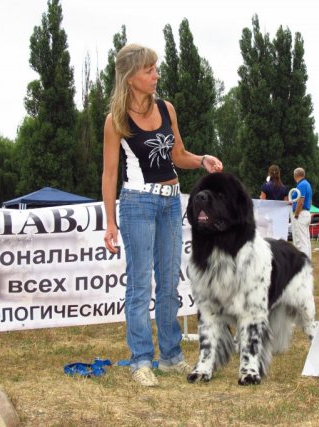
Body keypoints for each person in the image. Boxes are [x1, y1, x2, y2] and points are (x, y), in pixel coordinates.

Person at [101, 44, 223, 387]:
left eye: (156, 68)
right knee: (141, 285)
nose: (156, 75)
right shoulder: (116, 120)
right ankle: (141, 359)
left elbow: (178, 154)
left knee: (169, 282)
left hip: (171, 204)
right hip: (137, 203)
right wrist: (110, 221)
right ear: (130, 76)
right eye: (149, 70)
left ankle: (170, 355)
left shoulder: (167, 109)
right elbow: (110, 174)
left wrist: (202, 160)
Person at [290, 168, 313, 258]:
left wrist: (296, 215)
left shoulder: (301, 185)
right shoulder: (307, 184)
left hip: (301, 214)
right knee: (306, 239)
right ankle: (307, 260)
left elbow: (300, 201)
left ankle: (304, 263)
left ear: (295, 175)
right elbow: (309, 201)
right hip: (306, 212)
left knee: (301, 240)